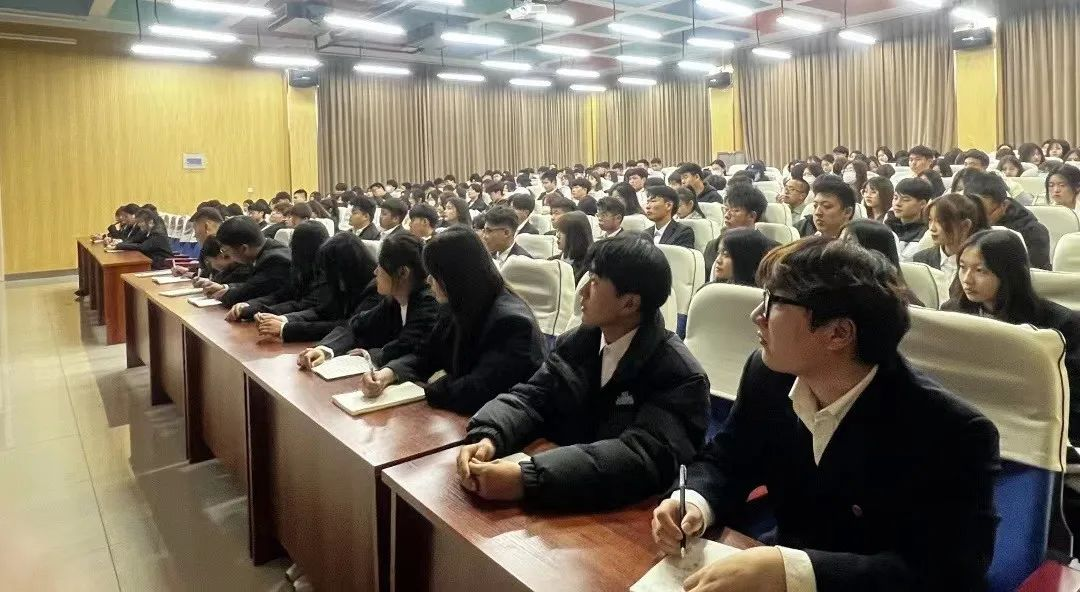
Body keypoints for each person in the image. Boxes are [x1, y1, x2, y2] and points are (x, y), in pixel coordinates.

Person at [651, 236, 1000, 592]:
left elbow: (948, 571)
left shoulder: (951, 431)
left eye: (773, 302)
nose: (757, 315)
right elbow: (728, 458)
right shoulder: (768, 374)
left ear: (838, 333)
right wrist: (694, 502)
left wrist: (795, 570)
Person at [457, 236, 708, 508]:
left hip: (627, 513)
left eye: (595, 283)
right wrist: (489, 435)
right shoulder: (578, 342)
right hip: (568, 494)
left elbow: (640, 458)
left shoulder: (679, 375)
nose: (583, 292)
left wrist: (528, 478)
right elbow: (531, 397)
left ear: (629, 304)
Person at [359, 227, 546, 414]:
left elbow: (478, 390)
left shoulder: (512, 323)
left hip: (501, 419)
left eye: (434, 274)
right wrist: (388, 374)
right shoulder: (456, 306)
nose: (429, 280)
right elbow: (426, 356)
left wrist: (423, 390)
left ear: (455, 276)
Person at [942, 229, 1080, 442]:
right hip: (969, 421)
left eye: (980, 271)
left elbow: (1070, 396)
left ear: (1008, 275)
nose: (967, 279)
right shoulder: (951, 313)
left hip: (1032, 427)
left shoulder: (1060, 324)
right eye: (962, 267)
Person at [297, 233, 440, 368]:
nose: (375, 271)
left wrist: (367, 355)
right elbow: (356, 324)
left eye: (381, 266)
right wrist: (324, 349)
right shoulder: (394, 300)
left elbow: (405, 348)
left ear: (402, 272)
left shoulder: (428, 304)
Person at [224, 221, 329, 326]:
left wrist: (255, 310)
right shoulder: (301, 268)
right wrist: (248, 304)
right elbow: (281, 295)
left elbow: (304, 305)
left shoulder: (326, 274)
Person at [966, 170, 1052, 269]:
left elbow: (1034, 273)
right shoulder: (965, 224)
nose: (977, 218)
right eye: (972, 213)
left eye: (983, 214)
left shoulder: (1034, 232)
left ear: (1004, 205)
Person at [198, 216, 292, 306]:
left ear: (243, 248)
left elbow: (252, 292)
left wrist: (222, 295)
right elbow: (252, 285)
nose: (226, 255)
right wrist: (224, 287)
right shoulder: (262, 250)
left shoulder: (275, 260)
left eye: (225, 250)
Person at [914, 193, 990, 289]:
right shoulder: (921, 259)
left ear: (965, 225)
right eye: (930, 220)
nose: (932, 228)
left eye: (940, 221)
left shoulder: (982, 262)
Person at [841, 219, 924, 306]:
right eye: (840, 240)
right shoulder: (840, 283)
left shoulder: (893, 299)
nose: (839, 247)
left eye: (849, 242)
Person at [886, 178, 932, 262]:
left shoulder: (927, 233)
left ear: (922, 204)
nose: (897, 203)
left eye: (905, 200)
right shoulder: (887, 225)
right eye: (895, 198)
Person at [710, 228, 777, 286]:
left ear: (746, 259)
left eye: (726, 254)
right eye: (719, 253)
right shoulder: (711, 290)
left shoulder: (763, 295)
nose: (718, 260)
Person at [552, 211, 593, 282]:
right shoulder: (552, 262)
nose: (557, 235)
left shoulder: (589, 268)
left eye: (562, 232)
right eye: (557, 231)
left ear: (575, 236)